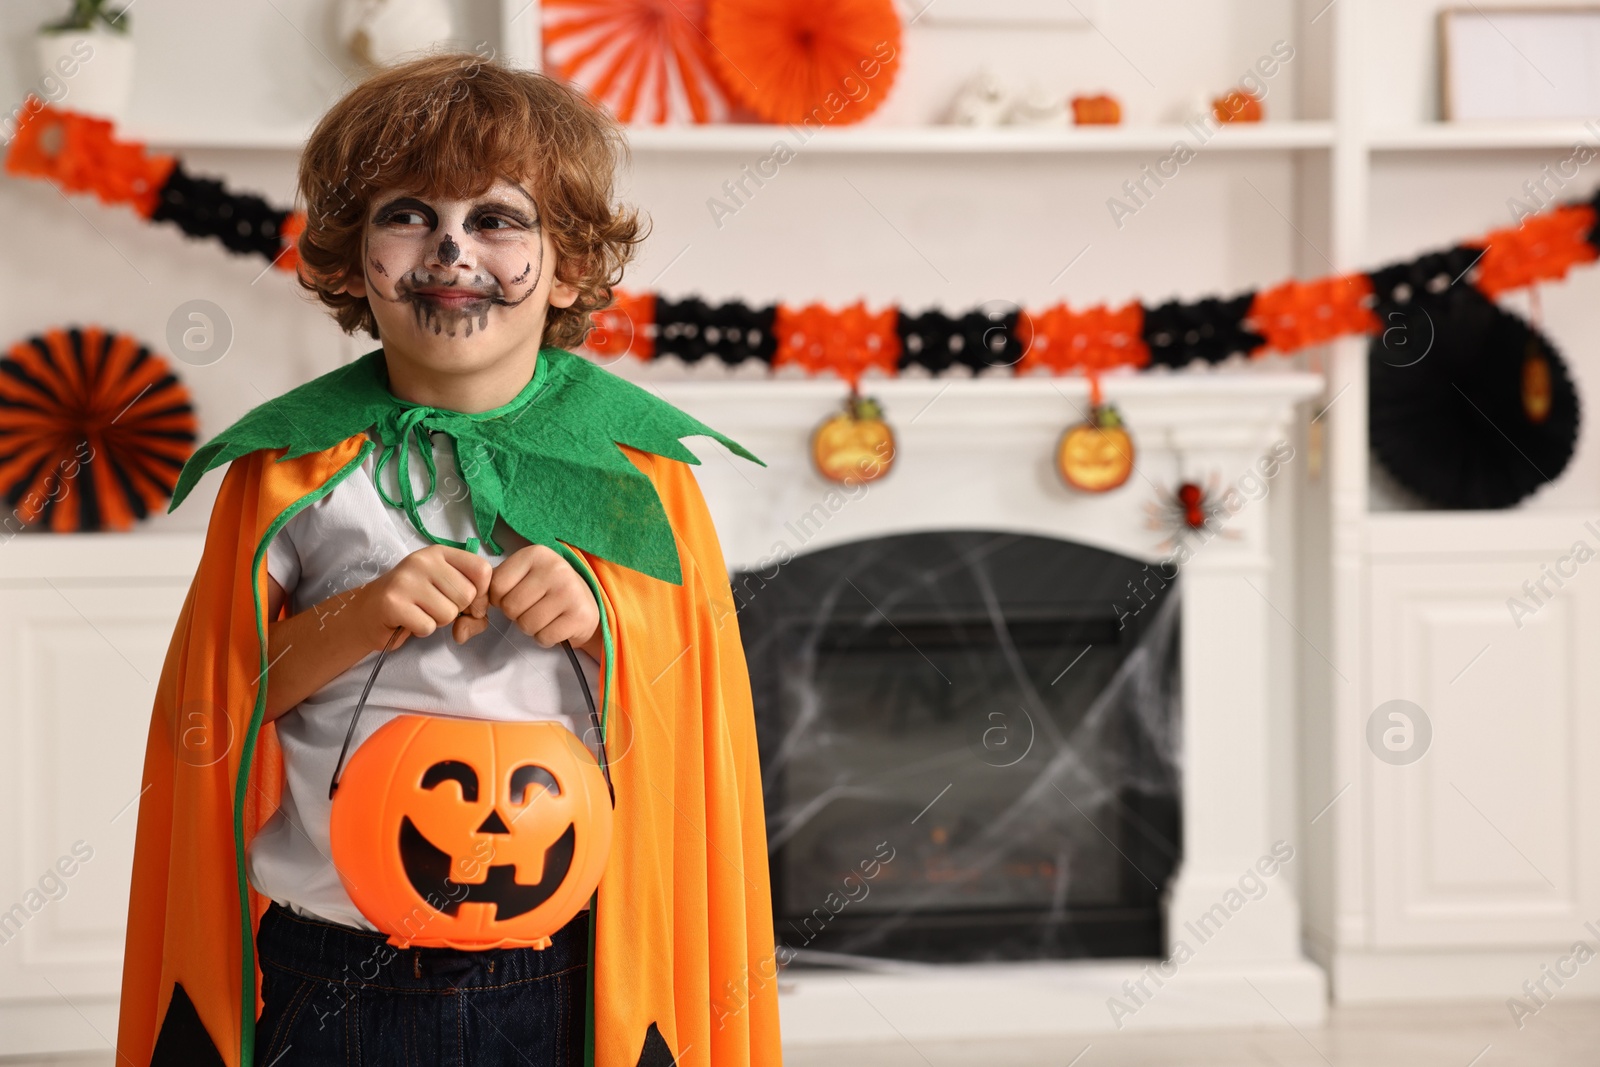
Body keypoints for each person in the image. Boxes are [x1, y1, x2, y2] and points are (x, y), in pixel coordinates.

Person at [114, 52, 782, 1067]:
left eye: (498, 220)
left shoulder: (638, 469)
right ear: (349, 258)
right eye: (408, 214)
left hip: (569, 967)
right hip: (328, 961)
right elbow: (223, 702)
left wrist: (608, 616)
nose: (451, 250)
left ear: (565, 264)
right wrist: (356, 618)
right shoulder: (294, 467)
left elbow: (697, 716)